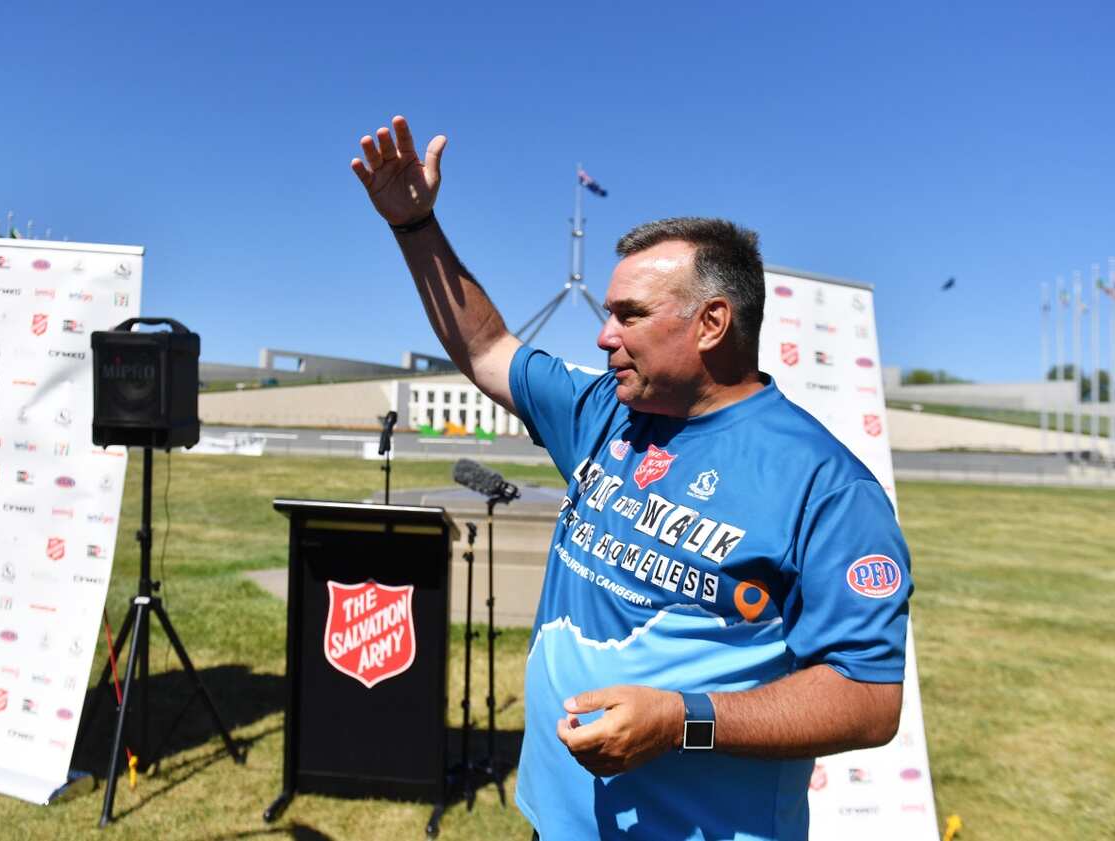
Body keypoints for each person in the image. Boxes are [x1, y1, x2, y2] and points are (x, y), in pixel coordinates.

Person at [351, 116, 913, 841]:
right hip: (554, 823)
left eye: (629, 314)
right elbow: (488, 345)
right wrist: (416, 225)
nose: (602, 334)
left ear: (712, 322)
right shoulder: (602, 411)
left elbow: (868, 698)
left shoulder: (825, 486)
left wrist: (685, 722)